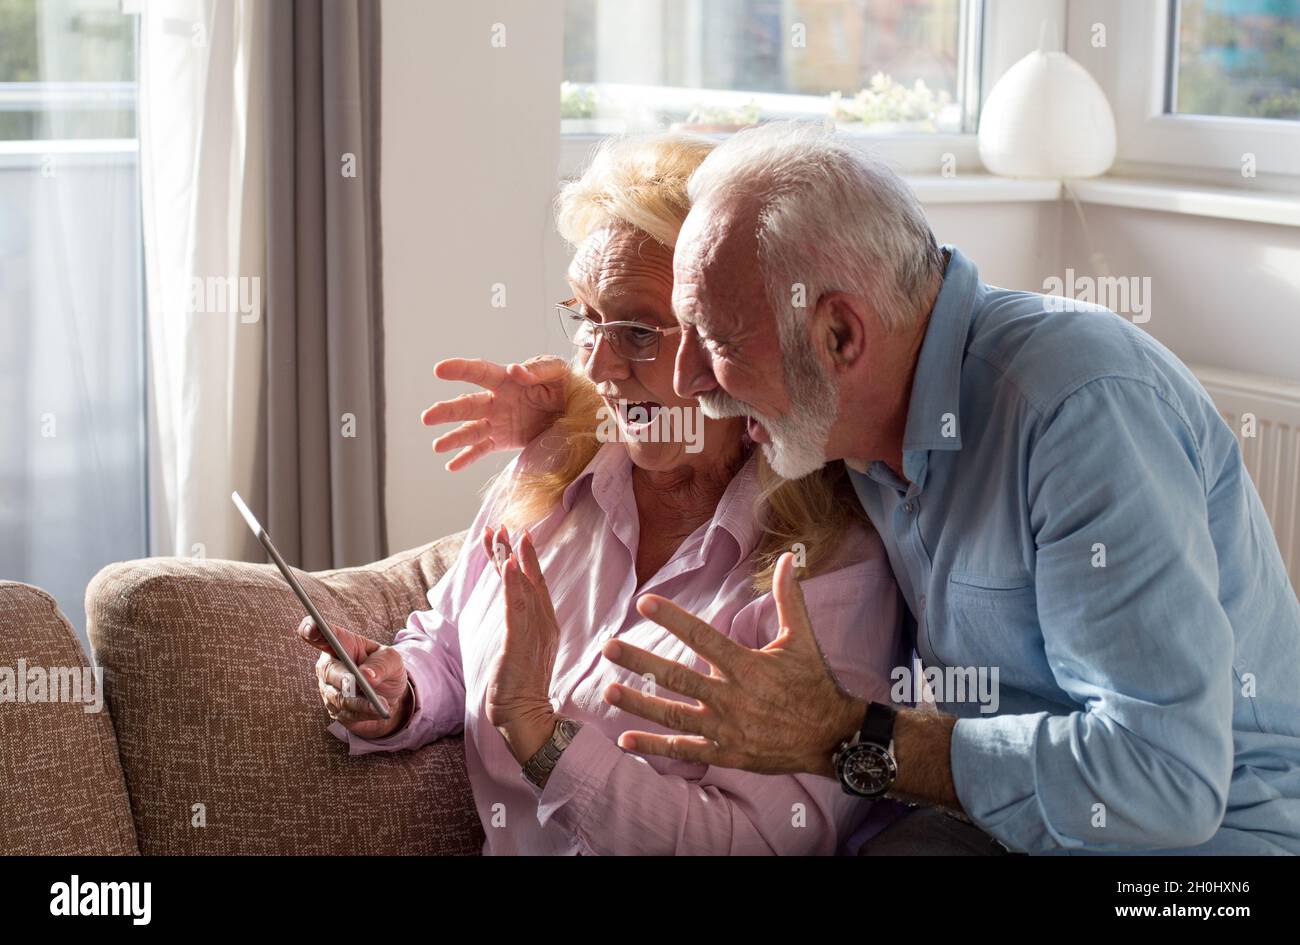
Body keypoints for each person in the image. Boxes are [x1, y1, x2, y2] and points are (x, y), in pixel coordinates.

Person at [440, 122, 1300, 855]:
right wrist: (578, 405)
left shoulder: (1077, 412)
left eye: (714, 341)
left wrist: (855, 736)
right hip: (986, 825)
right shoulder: (848, 404)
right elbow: (674, 410)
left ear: (840, 333)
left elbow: (1166, 786)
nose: (693, 377)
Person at [299, 132, 904, 855]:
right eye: (586, 316)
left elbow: (761, 840)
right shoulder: (556, 465)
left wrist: (543, 737)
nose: (595, 363)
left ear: (729, 334)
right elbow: (456, 638)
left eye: (639, 330)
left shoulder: (827, 565)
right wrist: (401, 689)